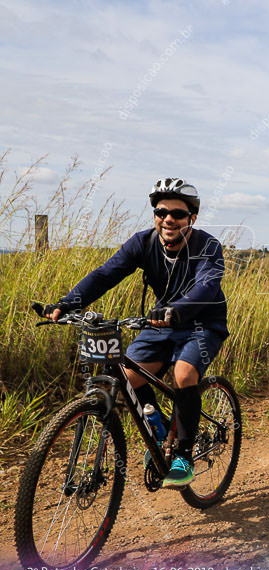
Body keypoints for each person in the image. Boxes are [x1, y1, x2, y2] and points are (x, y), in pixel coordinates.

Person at [43, 178, 228, 488]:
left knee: (183, 376)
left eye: (178, 214)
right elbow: (105, 274)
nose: (168, 218)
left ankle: (183, 455)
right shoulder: (142, 243)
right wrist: (66, 304)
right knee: (127, 376)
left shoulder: (207, 246)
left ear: (191, 218)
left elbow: (207, 286)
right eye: (160, 211)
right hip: (159, 323)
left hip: (201, 324)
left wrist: (176, 310)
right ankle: (162, 431)